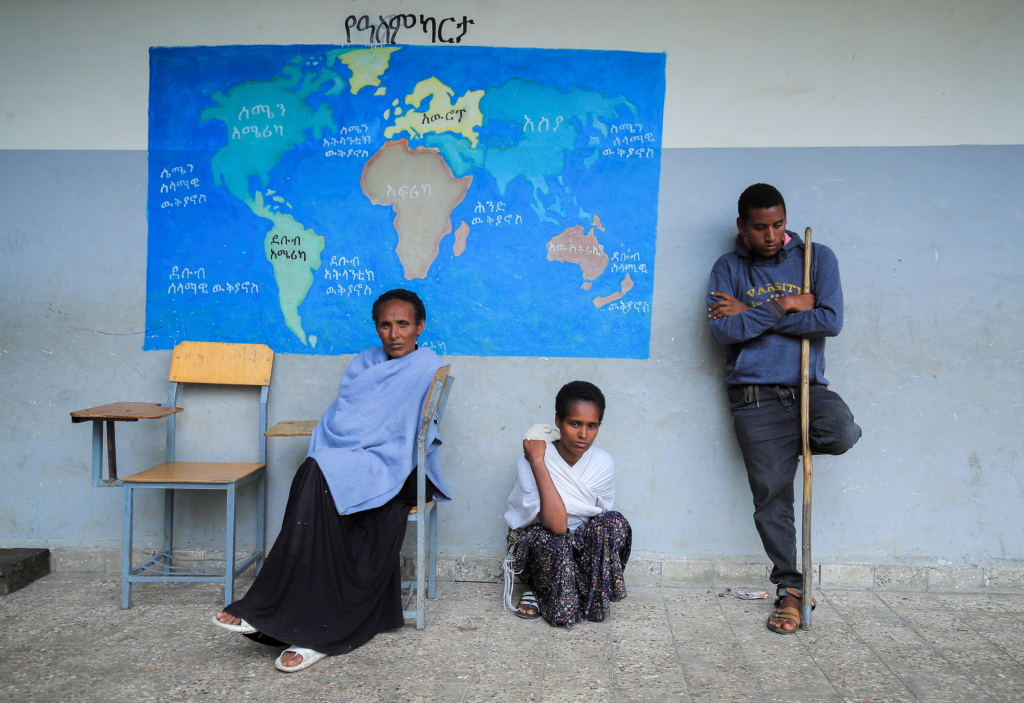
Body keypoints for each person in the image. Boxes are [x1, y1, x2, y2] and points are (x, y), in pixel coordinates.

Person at [212, 289, 449, 671]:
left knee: (317, 472)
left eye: (403, 324)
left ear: (420, 326)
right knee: (316, 471)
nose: (394, 334)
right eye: (385, 325)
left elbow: (404, 431)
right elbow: (344, 420)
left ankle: (273, 610)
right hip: (353, 457)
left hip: (397, 465)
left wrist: (355, 451)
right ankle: (291, 617)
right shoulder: (364, 362)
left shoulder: (426, 365)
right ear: (376, 327)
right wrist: (348, 450)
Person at [707, 183, 861, 634]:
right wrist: (785, 305)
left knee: (842, 433)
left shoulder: (817, 258)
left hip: (808, 390)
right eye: (760, 227)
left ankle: (789, 446)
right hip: (755, 398)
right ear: (743, 226)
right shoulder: (729, 267)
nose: (771, 235)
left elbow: (829, 320)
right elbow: (723, 332)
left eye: (778, 224)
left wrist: (752, 314)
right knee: (772, 499)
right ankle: (791, 591)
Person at [503, 381, 631, 626]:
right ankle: (539, 589)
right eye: (575, 424)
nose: (583, 435)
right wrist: (538, 463)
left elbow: (599, 519)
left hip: (580, 547)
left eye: (592, 426)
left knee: (614, 522)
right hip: (542, 545)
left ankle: (578, 590)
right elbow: (557, 526)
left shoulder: (602, 462)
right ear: (558, 421)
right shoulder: (533, 459)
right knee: (555, 539)